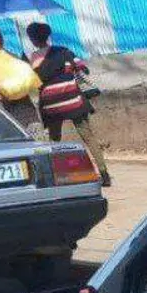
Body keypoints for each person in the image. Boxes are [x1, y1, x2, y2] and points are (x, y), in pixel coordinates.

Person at [26, 21, 109, 186]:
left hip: (51, 106)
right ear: (48, 36)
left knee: (54, 139)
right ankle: (104, 174)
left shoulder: (32, 59)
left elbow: (30, 81)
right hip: (73, 101)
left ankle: (57, 175)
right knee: (88, 136)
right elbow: (83, 68)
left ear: (32, 40)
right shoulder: (63, 51)